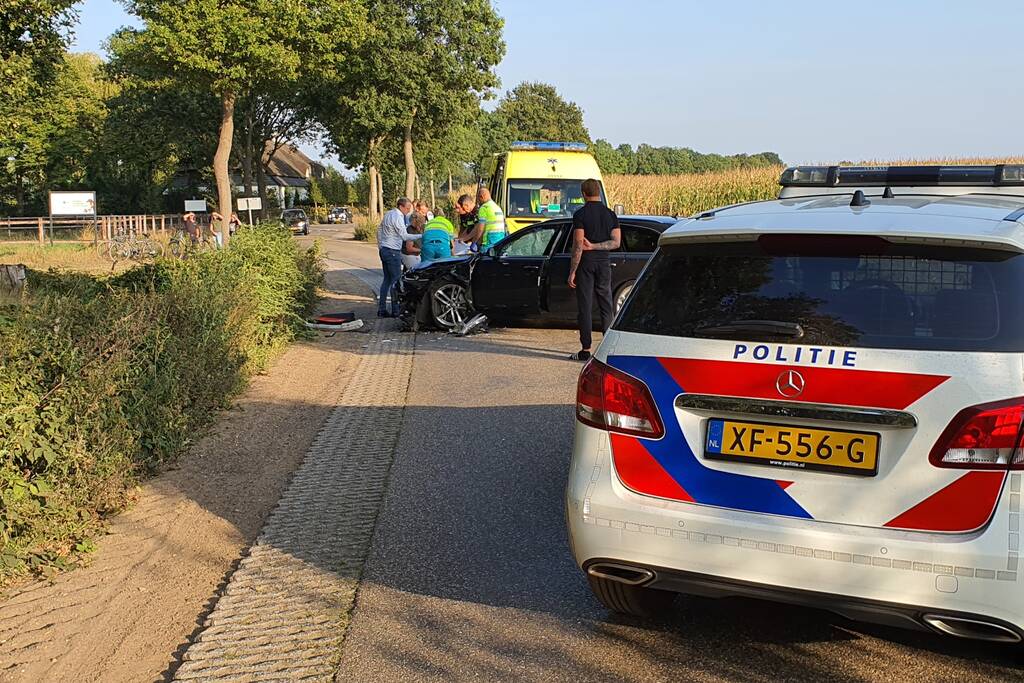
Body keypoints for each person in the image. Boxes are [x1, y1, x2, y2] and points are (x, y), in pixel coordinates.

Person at [567, 178, 620, 361]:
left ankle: (586, 349)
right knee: (606, 304)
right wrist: (597, 246)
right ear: (598, 191)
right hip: (604, 263)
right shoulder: (610, 215)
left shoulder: (580, 215)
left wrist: (573, 270)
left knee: (585, 306)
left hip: (586, 264)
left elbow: (578, 244)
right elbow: (616, 242)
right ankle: (607, 348)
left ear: (584, 194)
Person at [376, 197, 421, 317]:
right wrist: (421, 236)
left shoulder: (388, 214)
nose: (408, 211)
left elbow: (379, 229)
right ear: (401, 206)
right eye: (407, 208)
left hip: (385, 250)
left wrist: (381, 245)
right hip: (392, 251)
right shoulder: (398, 217)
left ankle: (382, 309)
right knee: (396, 282)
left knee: (386, 280)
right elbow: (404, 236)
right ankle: (396, 310)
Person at [473, 188, 507, 253]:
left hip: (488, 243)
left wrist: (475, 243)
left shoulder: (484, 208)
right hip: (500, 242)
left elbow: (480, 229)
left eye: (478, 199)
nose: (478, 202)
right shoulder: (497, 207)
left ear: (481, 197)